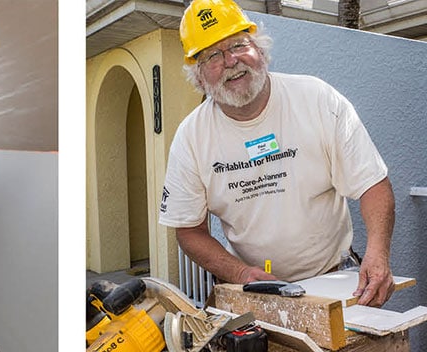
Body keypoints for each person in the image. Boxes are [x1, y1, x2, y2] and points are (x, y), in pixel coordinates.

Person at [159, 0, 396, 307]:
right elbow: (189, 230)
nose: (231, 60)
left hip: (336, 279)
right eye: (212, 55)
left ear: (260, 49)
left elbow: (373, 184)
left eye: (238, 44)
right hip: (257, 289)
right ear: (200, 76)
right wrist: (240, 272)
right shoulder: (191, 137)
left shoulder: (318, 100)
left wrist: (378, 254)